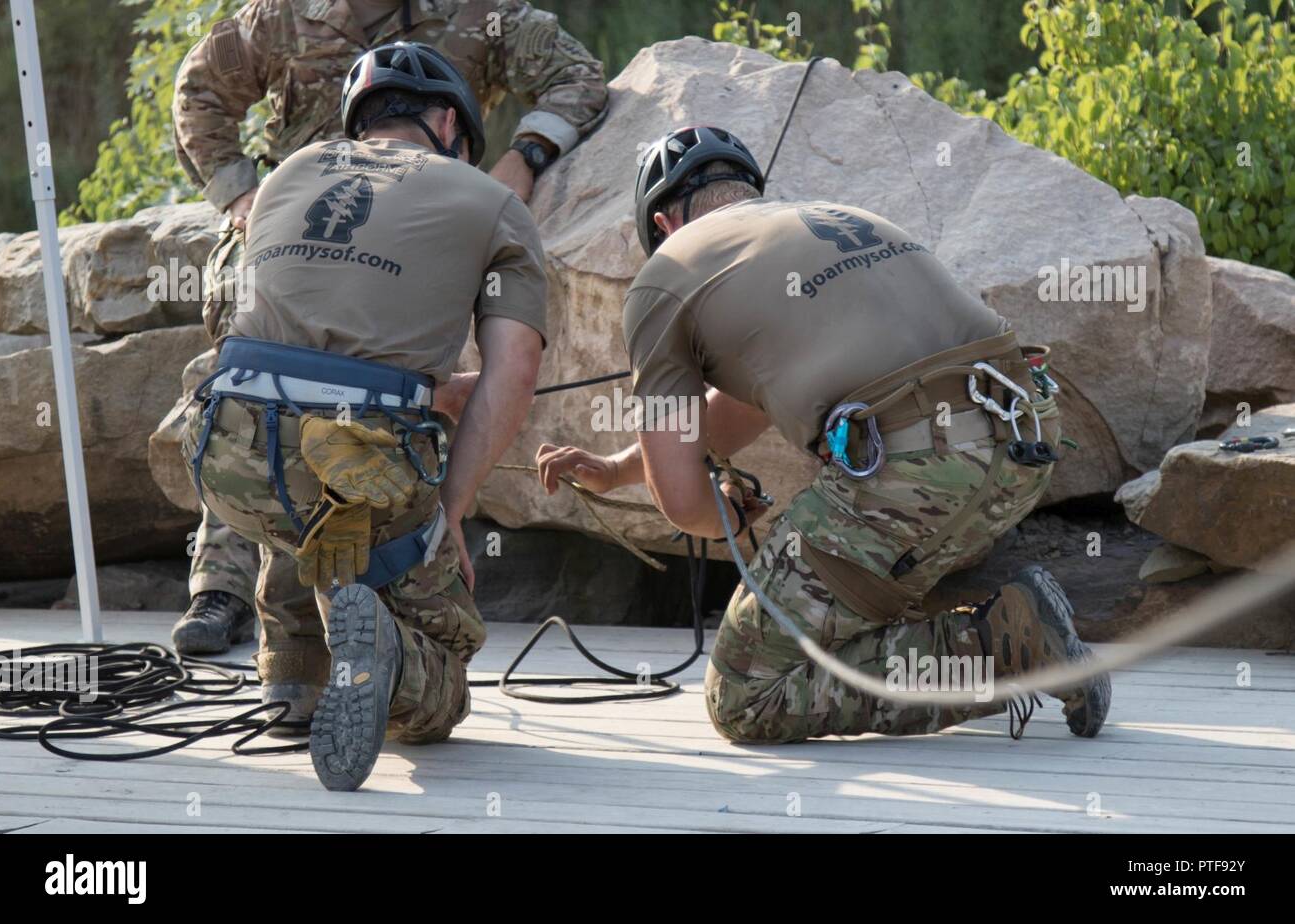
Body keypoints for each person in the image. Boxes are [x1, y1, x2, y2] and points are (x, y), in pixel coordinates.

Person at [535, 126, 1112, 745]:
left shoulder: (666, 273)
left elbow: (680, 499)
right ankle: (1005, 638)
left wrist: (718, 514)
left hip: (917, 466)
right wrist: (618, 467)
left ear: (661, 223)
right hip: (1022, 434)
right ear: (746, 191)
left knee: (746, 692)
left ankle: (1006, 646)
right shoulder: (823, 219)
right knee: (827, 623)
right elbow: (734, 412)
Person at [169, 0, 606, 658]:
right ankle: (223, 586)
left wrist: (523, 156)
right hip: (291, 232)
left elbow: (578, 75)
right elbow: (201, 89)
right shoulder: (282, 15)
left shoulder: (482, 15)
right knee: (270, 376)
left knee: (309, 384)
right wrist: (242, 197)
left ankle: (299, 651)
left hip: (417, 246)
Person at [183, 42, 546, 790]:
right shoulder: (493, 203)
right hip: (360, 464)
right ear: (448, 122)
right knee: (446, 665)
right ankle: (387, 653)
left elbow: (292, 344)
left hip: (226, 453)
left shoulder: (289, 173)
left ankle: (291, 678)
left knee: (294, 462)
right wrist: (449, 510)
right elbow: (515, 373)